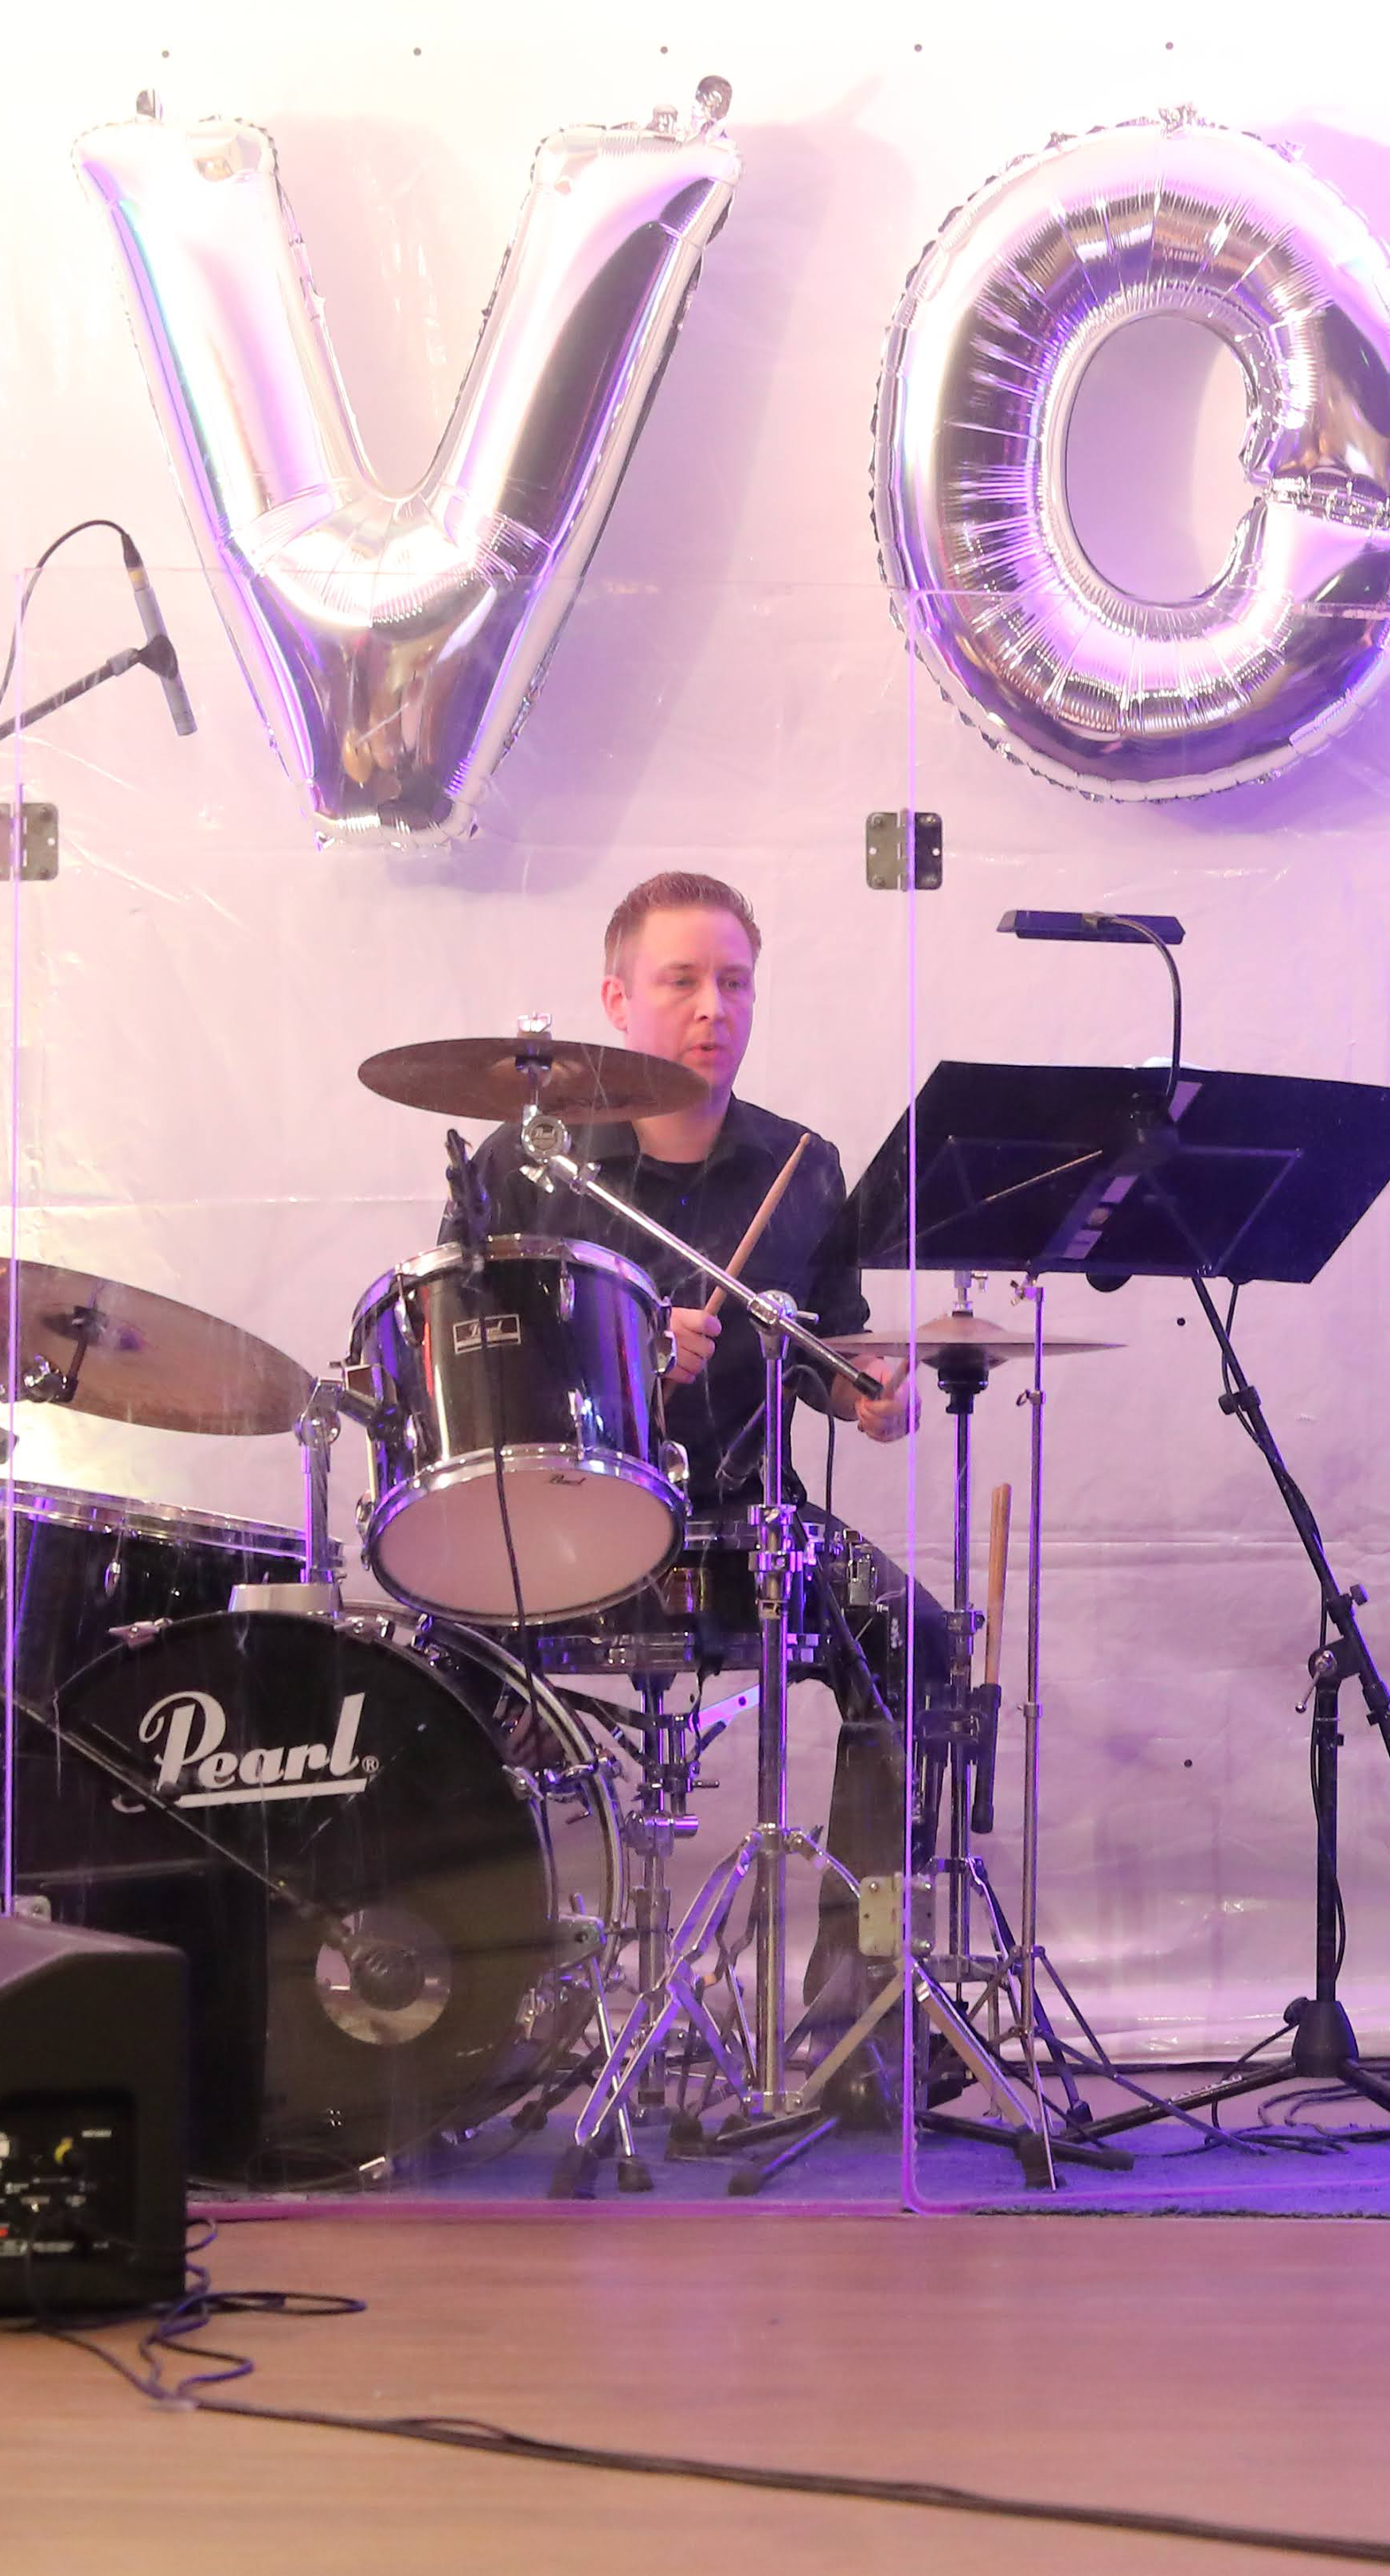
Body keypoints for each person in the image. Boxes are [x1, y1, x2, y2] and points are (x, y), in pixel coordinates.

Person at [458, 871, 931, 2034]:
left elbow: (826, 1347)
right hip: (569, 1528)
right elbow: (473, 1367)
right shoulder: (527, 1167)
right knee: (437, 1658)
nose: (715, 1006)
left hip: (749, 1527)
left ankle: (857, 2002)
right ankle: (476, 2004)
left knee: (912, 1643)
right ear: (617, 1000)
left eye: (735, 981)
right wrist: (620, 1360)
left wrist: (865, 1393)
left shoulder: (802, 1164)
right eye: (682, 981)